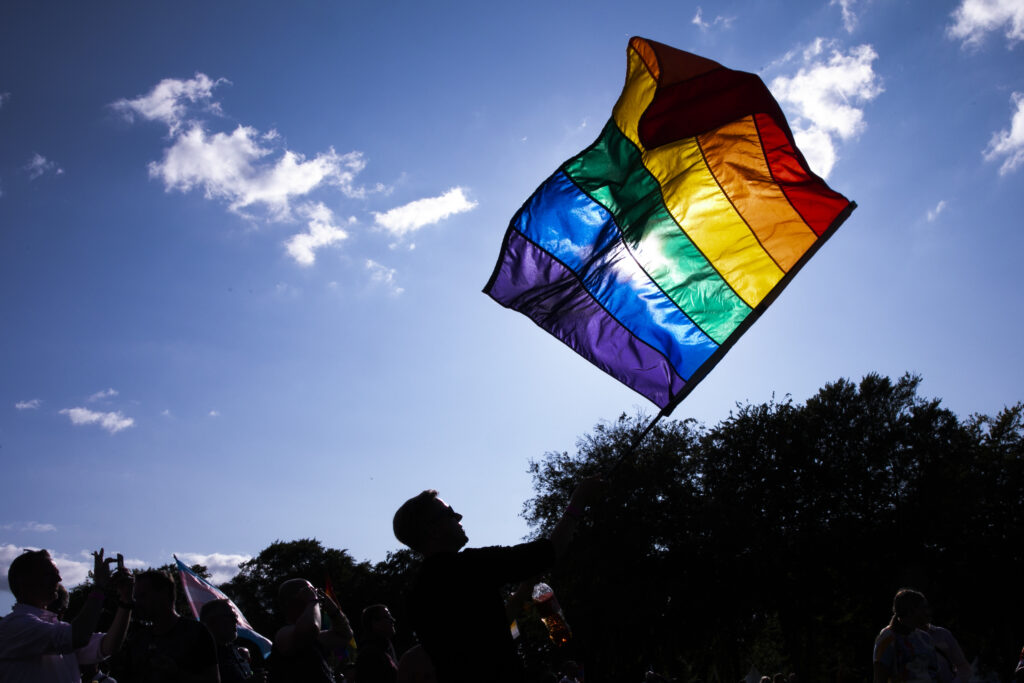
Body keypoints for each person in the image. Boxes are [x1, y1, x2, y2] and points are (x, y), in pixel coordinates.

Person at [392, 477, 601, 683]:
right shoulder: (469, 567)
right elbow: (549, 550)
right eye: (449, 513)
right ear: (432, 530)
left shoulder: (416, 593)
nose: (458, 515)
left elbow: (482, 634)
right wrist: (578, 501)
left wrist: (523, 591)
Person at [0, 547, 134, 682]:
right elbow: (79, 636)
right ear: (25, 582)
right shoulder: (15, 626)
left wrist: (126, 601)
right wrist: (99, 587)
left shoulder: (55, 628)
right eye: (50, 575)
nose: (59, 578)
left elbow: (109, 646)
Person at [109, 568, 219, 682]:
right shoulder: (138, 639)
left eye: (143, 596)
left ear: (164, 593)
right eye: (136, 598)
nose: (138, 603)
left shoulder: (196, 632)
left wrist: (177, 673)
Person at [268, 578, 353, 683]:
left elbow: (345, 635)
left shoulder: (314, 639)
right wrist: (313, 600)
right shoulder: (283, 635)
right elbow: (311, 628)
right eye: (311, 591)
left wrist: (333, 609)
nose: (316, 595)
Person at [872, 588, 939, 682]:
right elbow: (880, 677)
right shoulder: (888, 639)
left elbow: (934, 673)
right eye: (923, 608)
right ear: (910, 611)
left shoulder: (925, 638)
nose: (927, 612)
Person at [200, 599, 267, 682]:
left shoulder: (237, 652)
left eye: (235, 616)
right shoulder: (200, 657)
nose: (236, 621)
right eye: (231, 617)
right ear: (212, 621)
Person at [355, 604, 398, 683]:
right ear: (375, 623)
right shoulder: (369, 655)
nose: (393, 620)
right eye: (387, 617)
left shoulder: (386, 647)